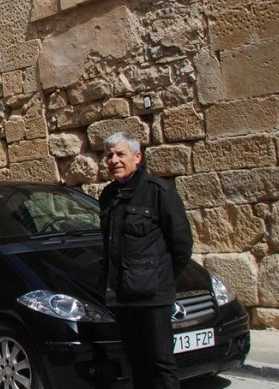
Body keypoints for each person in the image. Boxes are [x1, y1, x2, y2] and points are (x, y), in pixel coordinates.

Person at [100, 131, 193, 389]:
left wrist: (159, 278)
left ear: (137, 157)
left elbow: (182, 246)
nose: (114, 160)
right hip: (122, 296)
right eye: (109, 156)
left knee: (161, 363)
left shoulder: (160, 192)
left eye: (121, 154)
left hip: (153, 297)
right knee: (136, 362)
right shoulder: (108, 196)